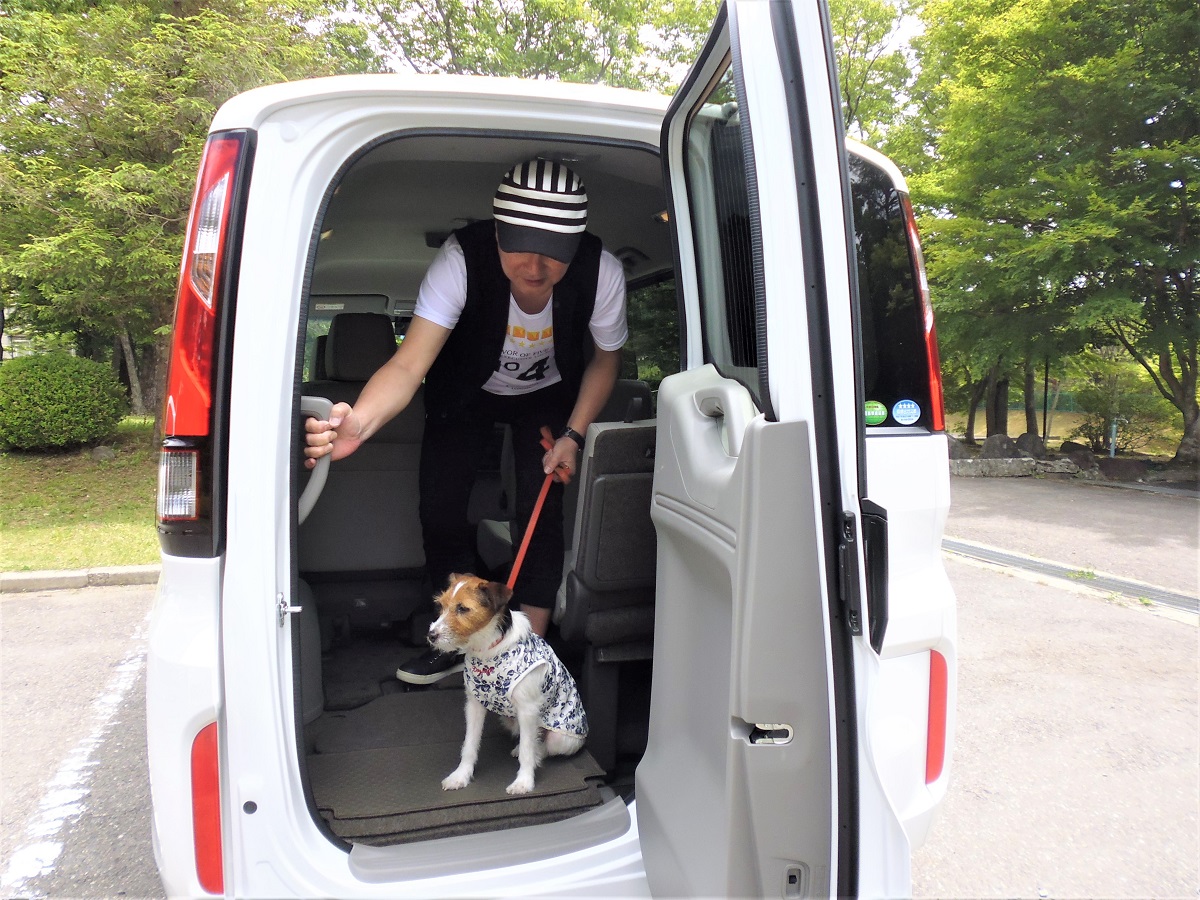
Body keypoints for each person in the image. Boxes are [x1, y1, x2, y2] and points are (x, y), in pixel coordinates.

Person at [304, 158, 627, 684]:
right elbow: (409, 364)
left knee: (541, 511)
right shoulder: (461, 260)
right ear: (497, 231)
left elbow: (606, 361)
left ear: (576, 245)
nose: (535, 267)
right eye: (520, 245)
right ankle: (454, 642)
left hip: (548, 396)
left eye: (554, 251)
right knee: (441, 505)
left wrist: (573, 434)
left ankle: (528, 657)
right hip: (463, 390)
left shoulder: (602, 272)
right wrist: (358, 423)